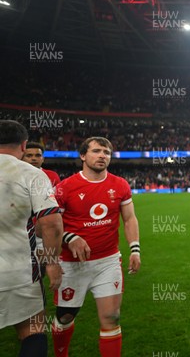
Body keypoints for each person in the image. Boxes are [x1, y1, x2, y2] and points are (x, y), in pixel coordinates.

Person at [51, 137, 141, 357]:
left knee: (111, 318)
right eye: (97, 151)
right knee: (65, 317)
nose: (103, 156)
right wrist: (70, 237)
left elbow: (129, 219)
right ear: (83, 156)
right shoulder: (65, 188)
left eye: (107, 152)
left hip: (108, 261)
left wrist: (135, 249)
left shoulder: (120, 185)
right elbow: (49, 226)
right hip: (72, 265)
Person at [0, 120, 63, 357]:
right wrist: (52, 262)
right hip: (19, 272)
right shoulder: (31, 174)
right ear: (24, 145)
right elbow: (52, 224)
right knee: (33, 331)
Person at [22, 141, 62, 276]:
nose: (34, 158)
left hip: (43, 230)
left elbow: (57, 204)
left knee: (40, 270)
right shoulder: (15, 175)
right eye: (29, 155)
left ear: (43, 158)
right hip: (20, 230)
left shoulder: (52, 176)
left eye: (38, 155)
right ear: (22, 156)